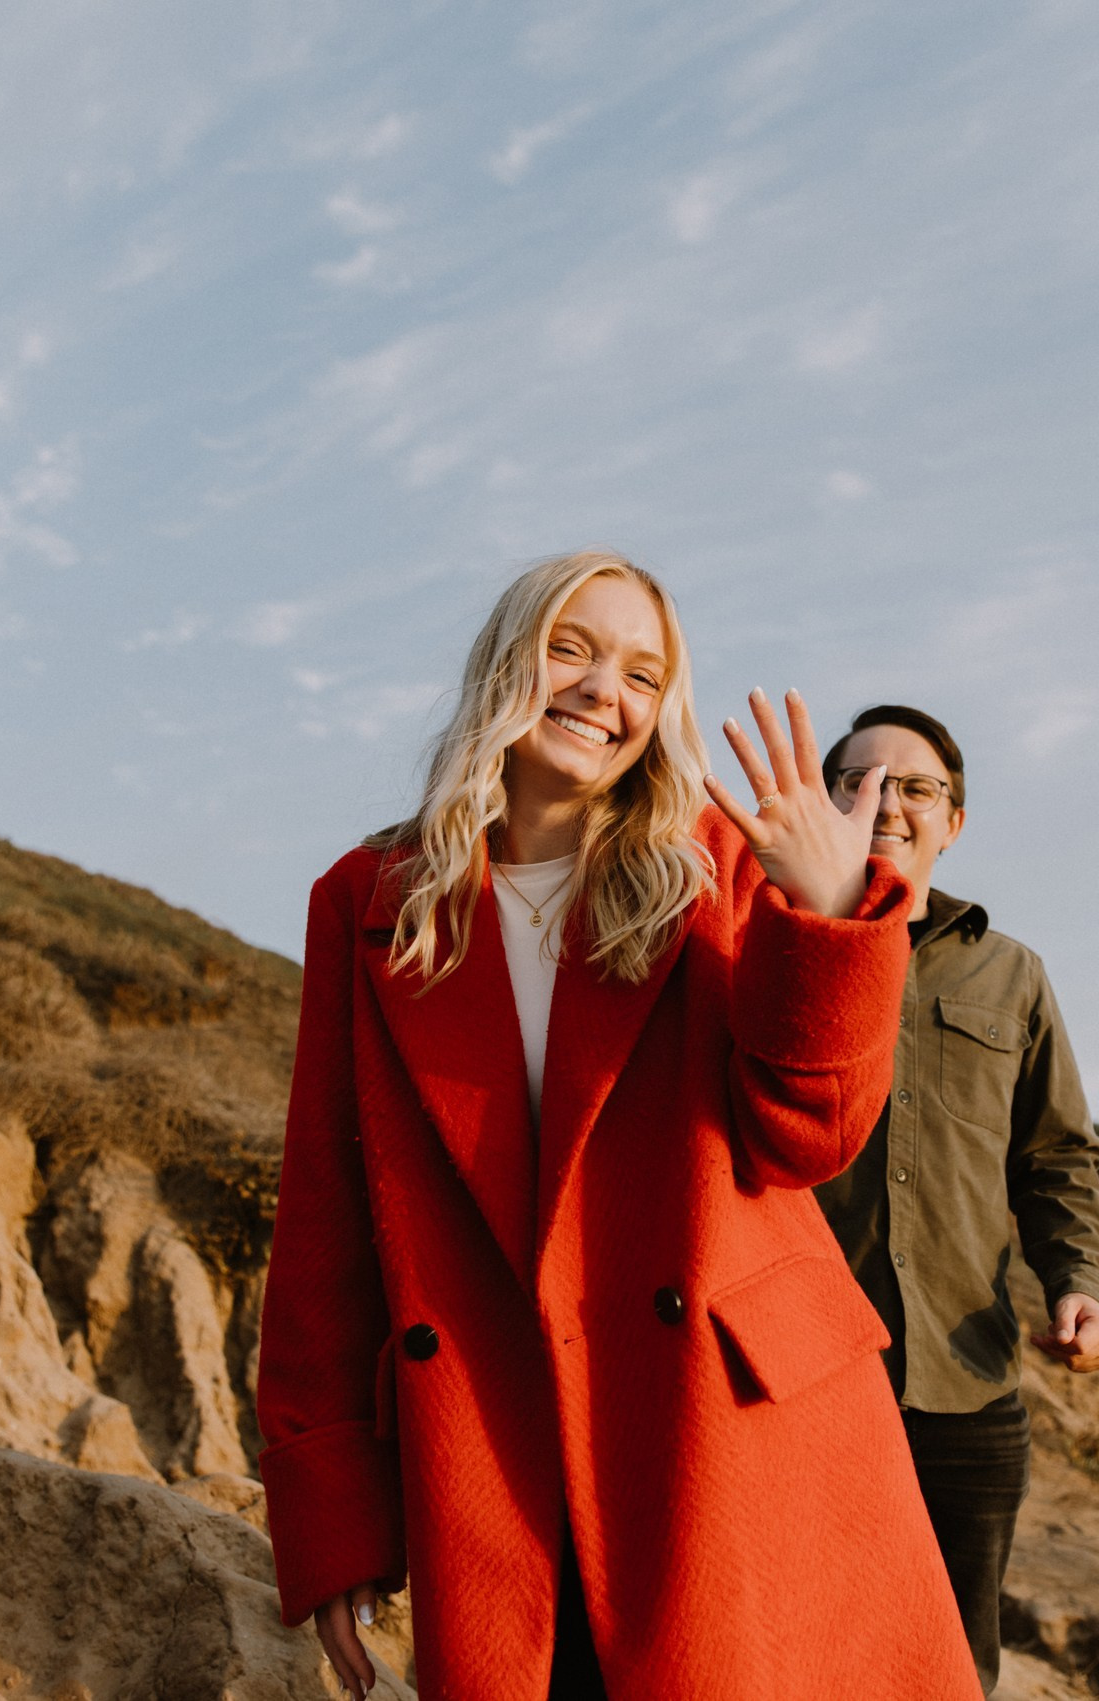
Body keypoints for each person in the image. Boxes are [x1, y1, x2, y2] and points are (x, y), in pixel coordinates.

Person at [255, 553, 980, 1701]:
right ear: (505, 663)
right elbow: (325, 1221)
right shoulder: (369, 900)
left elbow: (809, 1140)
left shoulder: (709, 861)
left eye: (644, 673)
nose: (606, 691)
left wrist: (830, 918)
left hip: (729, 1428)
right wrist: (333, 1510)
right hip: (497, 1434)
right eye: (572, 649)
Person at [813, 704, 1099, 1696]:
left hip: (967, 1377)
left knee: (946, 1666)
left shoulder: (1011, 975)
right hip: (801, 1377)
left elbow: (1056, 1162)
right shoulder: (765, 951)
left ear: (954, 819)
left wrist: (1080, 1286)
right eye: (860, 781)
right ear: (824, 806)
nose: (887, 802)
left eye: (916, 786)